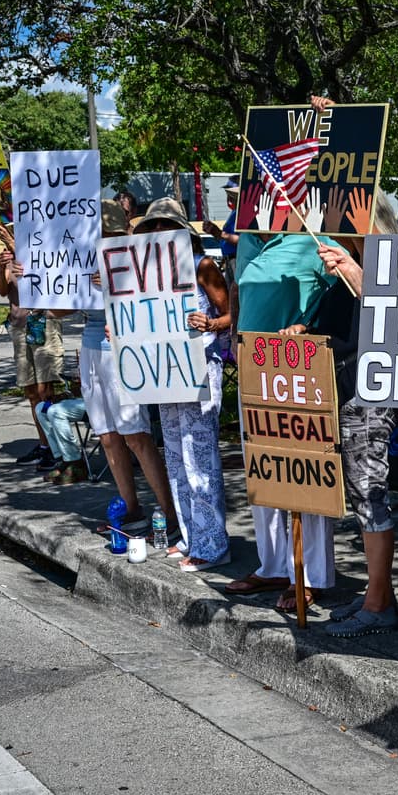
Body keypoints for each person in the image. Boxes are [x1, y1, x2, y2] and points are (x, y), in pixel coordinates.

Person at [223, 191, 341, 609]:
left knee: (304, 473)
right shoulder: (251, 240)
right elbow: (238, 289)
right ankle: (274, 566)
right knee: (264, 467)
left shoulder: (314, 238)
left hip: (297, 368)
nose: (258, 207)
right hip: (254, 368)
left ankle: (311, 574)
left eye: (272, 199)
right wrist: (235, 336)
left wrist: (308, 323)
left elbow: (344, 291)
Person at [300, 193, 398, 637]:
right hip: (338, 393)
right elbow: (334, 328)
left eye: (345, 216)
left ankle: (379, 605)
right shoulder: (344, 266)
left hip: (370, 395)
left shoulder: (393, 263)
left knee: (369, 493)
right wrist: (302, 331)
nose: (335, 223)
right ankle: (378, 592)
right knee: (358, 499)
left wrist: (359, 275)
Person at [50, 199, 177, 534]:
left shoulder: (136, 255)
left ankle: (169, 513)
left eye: (107, 229)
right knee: (107, 437)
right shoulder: (83, 257)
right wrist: (38, 281)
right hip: (92, 349)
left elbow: (156, 301)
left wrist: (112, 284)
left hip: (124, 350)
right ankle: (132, 508)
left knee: (135, 435)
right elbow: (58, 311)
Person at [132, 198, 232, 572]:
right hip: (163, 370)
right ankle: (191, 536)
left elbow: (229, 314)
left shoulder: (201, 265)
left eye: (165, 227)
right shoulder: (145, 274)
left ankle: (213, 543)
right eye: (152, 228)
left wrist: (210, 325)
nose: (158, 234)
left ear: (180, 232)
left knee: (199, 456)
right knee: (174, 453)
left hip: (198, 367)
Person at [0, 222, 65, 472]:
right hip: (19, 325)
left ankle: (60, 447)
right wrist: (4, 265)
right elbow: (4, 290)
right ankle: (44, 445)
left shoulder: (40, 254)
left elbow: (45, 281)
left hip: (42, 323)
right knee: (31, 391)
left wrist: (18, 249)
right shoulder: (10, 259)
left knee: (47, 388)